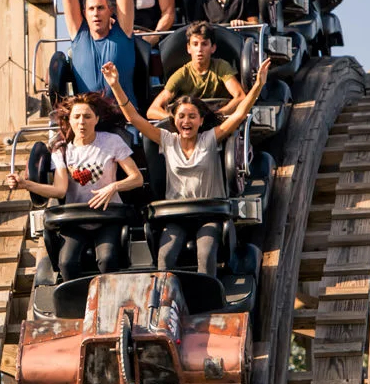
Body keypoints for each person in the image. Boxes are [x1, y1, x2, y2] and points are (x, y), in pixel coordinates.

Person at [103, 59, 270, 275]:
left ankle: (207, 301)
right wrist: (115, 85)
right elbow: (133, 118)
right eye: (181, 116)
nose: (186, 121)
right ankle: (167, 301)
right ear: (174, 120)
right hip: (178, 214)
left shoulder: (210, 138)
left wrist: (258, 85)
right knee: (166, 256)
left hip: (208, 212)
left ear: (201, 120)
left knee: (206, 253)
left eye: (192, 116)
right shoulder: (167, 139)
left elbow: (238, 115)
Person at [5, 92, 144, 281]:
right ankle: (76, 304)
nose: (82, 122)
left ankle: (107, 302)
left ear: (96, 119)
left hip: (107, 215)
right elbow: (59, 190)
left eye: (87, 117)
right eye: (76, 117)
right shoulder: (61, 149)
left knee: (107, 258)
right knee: (67, 262)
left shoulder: (111, 142)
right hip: (76, 217)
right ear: (69, 120)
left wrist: (112, 187)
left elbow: (137, 178)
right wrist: (25, 183)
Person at [147, 22, 246, 119]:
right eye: (195, 44)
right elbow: (152, 110)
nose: (199, 49)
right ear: (188, 48)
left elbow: (240, 96)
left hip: (219, 123)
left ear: (213, 48)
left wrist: (219, 115)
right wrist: (176, 120)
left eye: (204, 44)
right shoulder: (182, 74)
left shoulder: (222, 67)